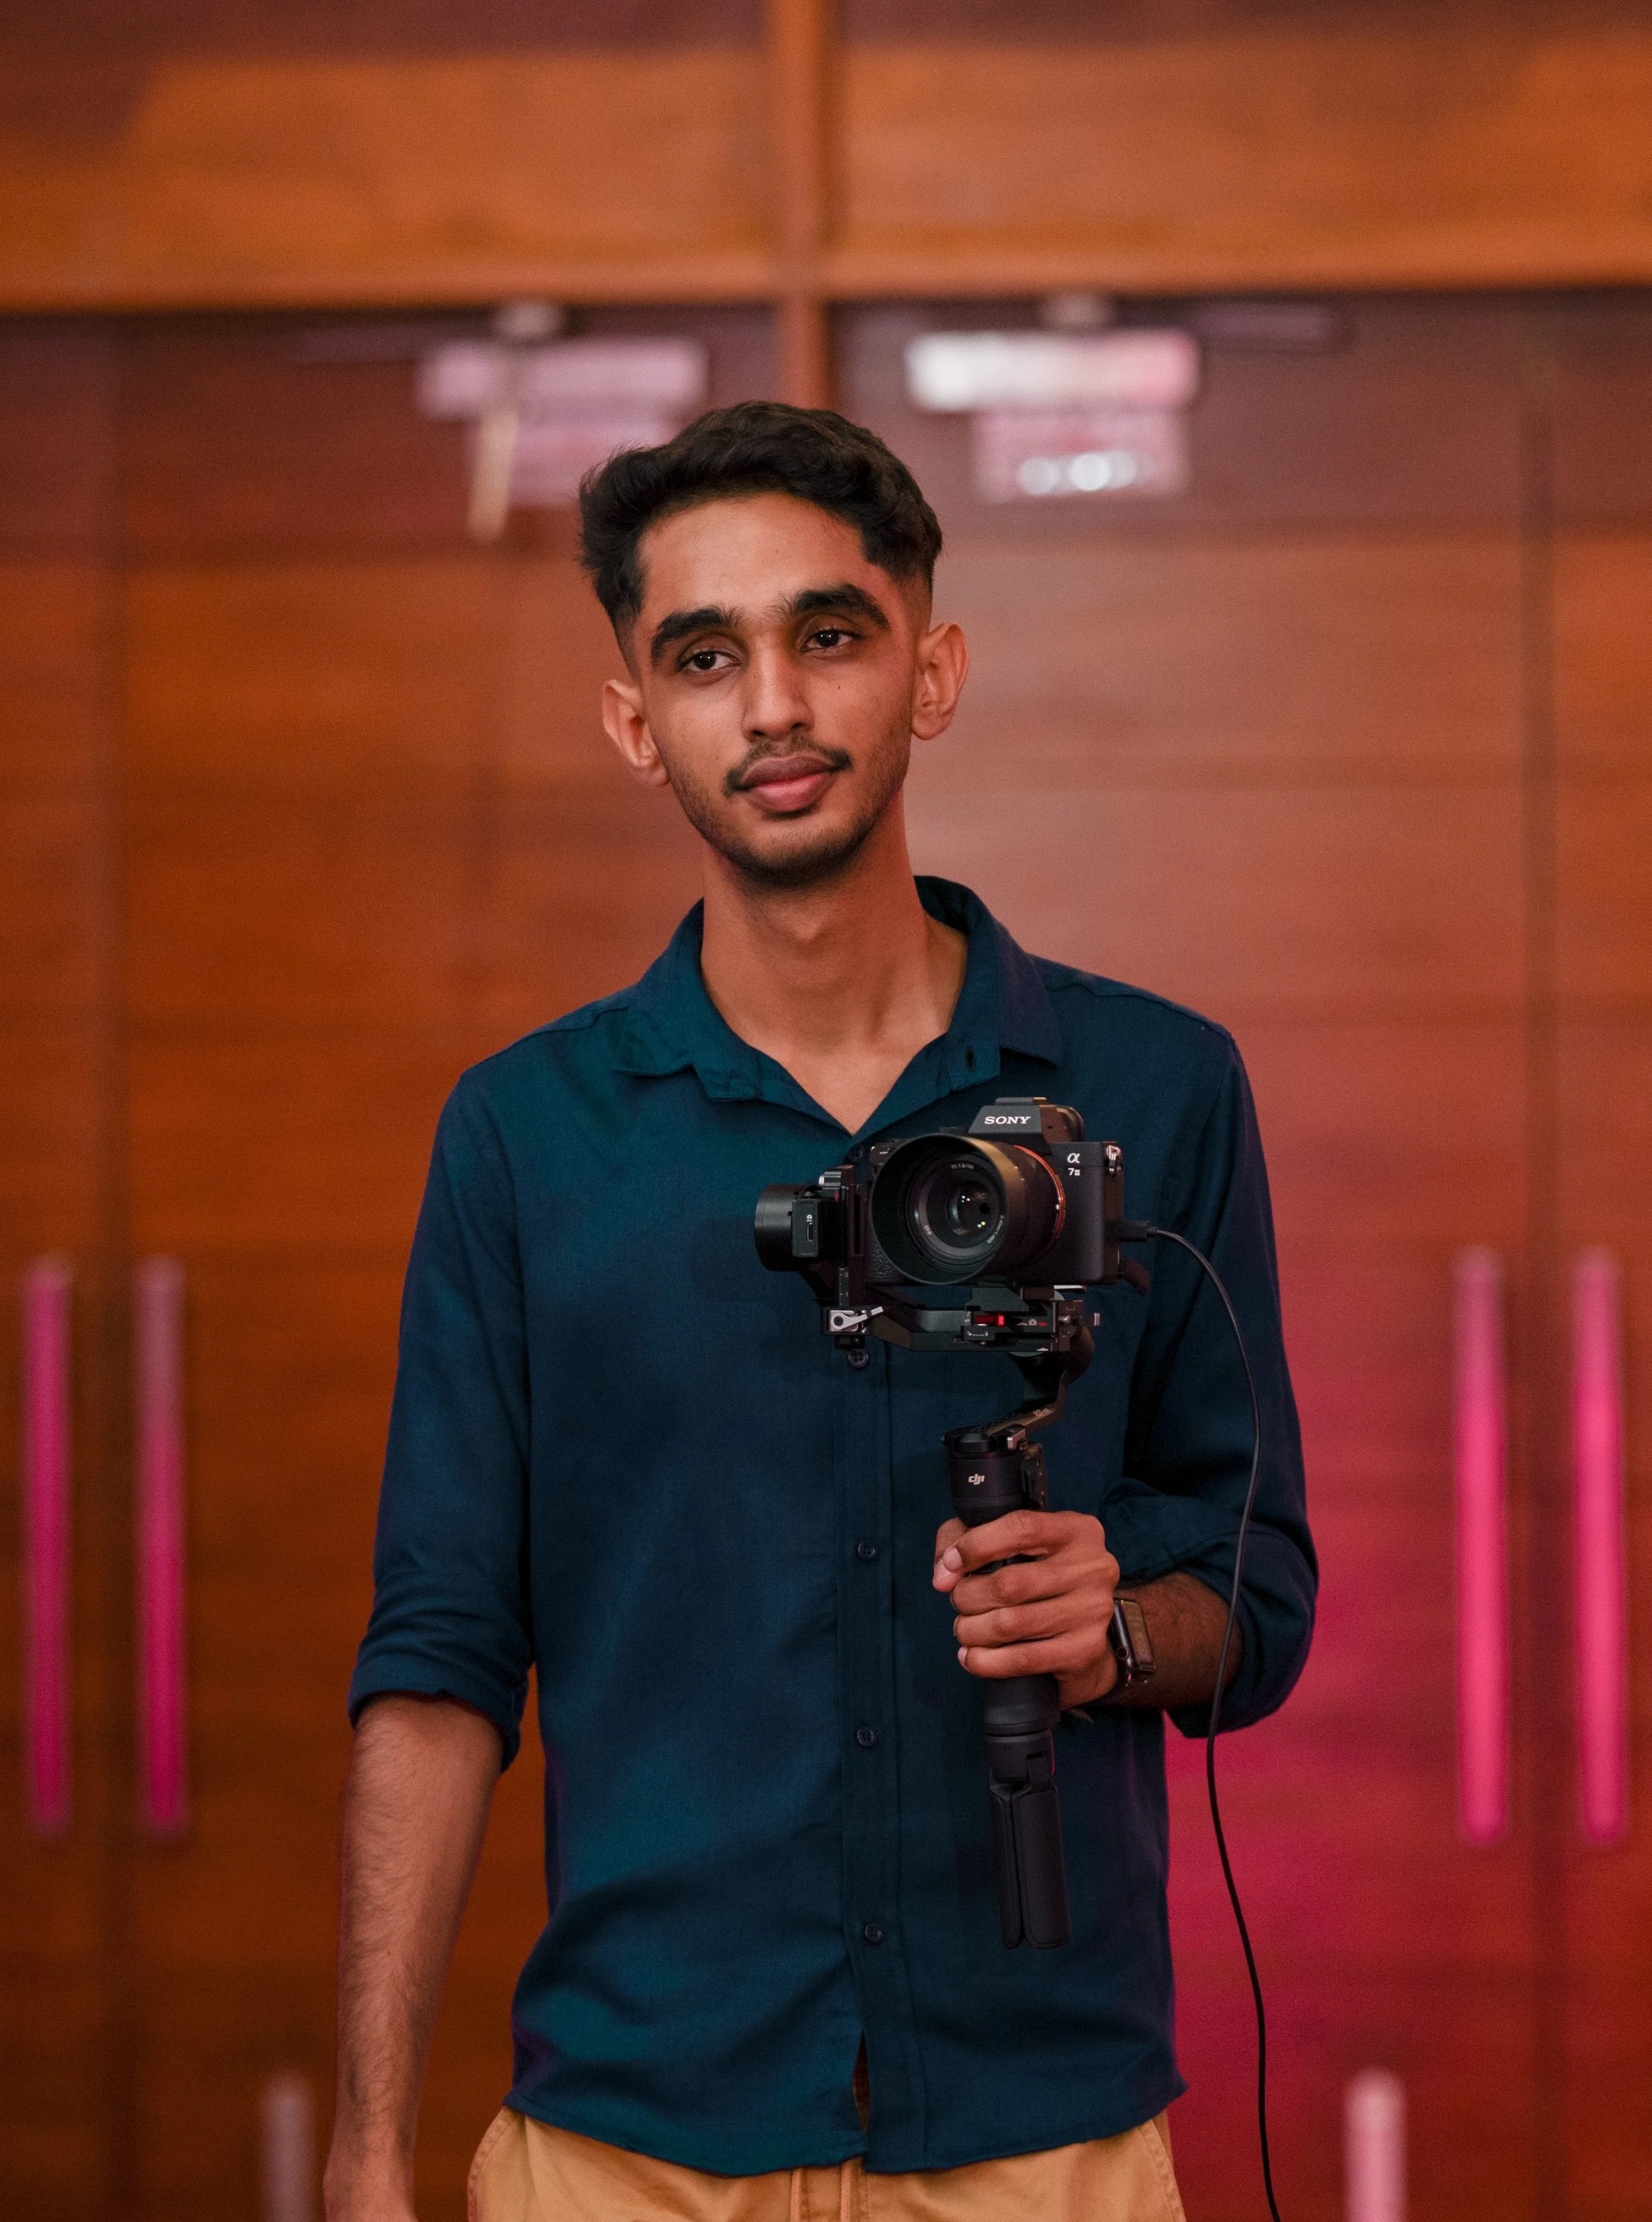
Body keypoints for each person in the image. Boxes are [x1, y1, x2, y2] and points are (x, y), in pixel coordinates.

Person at [324, 402, 1316, 2222]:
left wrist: (1109, 1627)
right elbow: (440, 1653)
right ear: (639, 723)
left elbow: (1255, 1601)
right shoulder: (530, 1139)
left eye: (826, 635)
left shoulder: (1151, 1089)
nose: (771, 704)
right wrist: (367, 2148)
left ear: (929, 673)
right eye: (706, 657)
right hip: (628, 2149)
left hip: (1044, 2143)